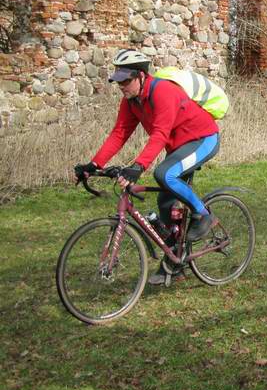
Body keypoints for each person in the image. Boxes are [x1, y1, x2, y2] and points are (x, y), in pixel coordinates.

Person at [73, 49, 221, 285]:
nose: (122, 86)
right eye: (118, 81)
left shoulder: (162, 91)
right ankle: (175, 261)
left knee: (164, 174)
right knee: (165, 202)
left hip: (203, 139)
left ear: (141, 76)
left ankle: (203, 214)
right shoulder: (131, 102)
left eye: (126, 80)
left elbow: (160, 134)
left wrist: (138, 167)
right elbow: (119, 134)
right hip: (178, 147)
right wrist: (94, 164)